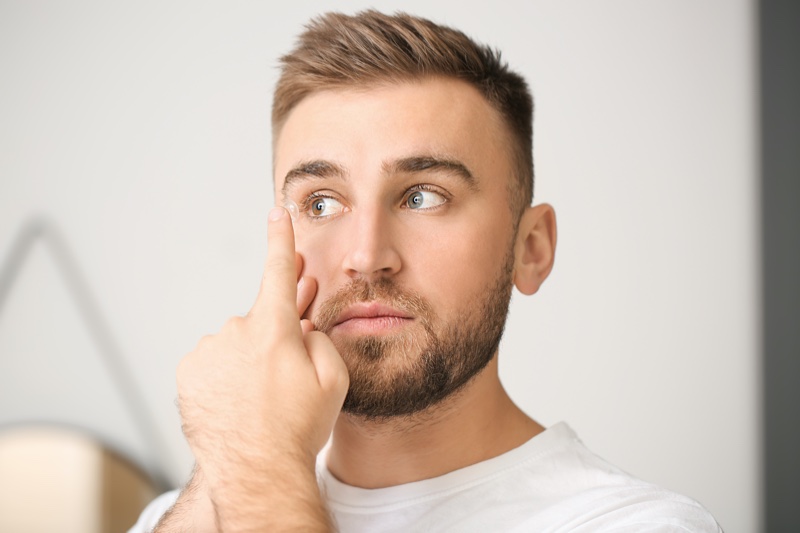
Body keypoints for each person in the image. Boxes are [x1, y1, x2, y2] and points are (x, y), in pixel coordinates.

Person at [129, 10, 722, 532]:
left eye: (422, 196)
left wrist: (256, 457)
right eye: (321, 203)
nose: (364, 256)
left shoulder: (633, 524)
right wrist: (239, 457)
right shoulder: (184, 513)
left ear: (532, 248)